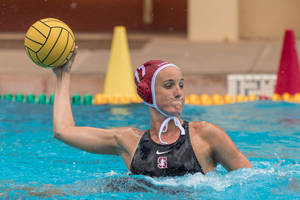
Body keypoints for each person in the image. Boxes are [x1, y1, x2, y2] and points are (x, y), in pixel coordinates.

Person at [53, 49, 252, 177]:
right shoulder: (128, 141)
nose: (179, 93)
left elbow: (250, 180)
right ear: (146, 92)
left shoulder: (206, 135)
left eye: (181, 85)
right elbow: (64, 131)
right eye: (169, 85)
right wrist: (64, 75)